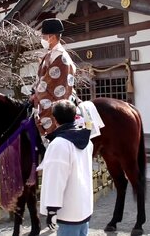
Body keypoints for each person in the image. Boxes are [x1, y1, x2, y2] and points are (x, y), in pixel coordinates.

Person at [37, 99, 93, 236]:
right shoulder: (87, 140)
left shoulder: (59, 144)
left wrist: (52, 210)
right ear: (75, 117)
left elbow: (55, 180)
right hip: (83, 206)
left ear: (54, 119)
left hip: (68, 211)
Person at [31, 18, 77, 136]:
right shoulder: (51, 54)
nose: (42, 39)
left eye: (44, 37)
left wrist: (36, 94)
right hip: (47, 94)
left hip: (58, 99)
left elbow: (52, 84)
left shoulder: (61, 57)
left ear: (51, 37)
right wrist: (34, 89)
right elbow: (43, 78)